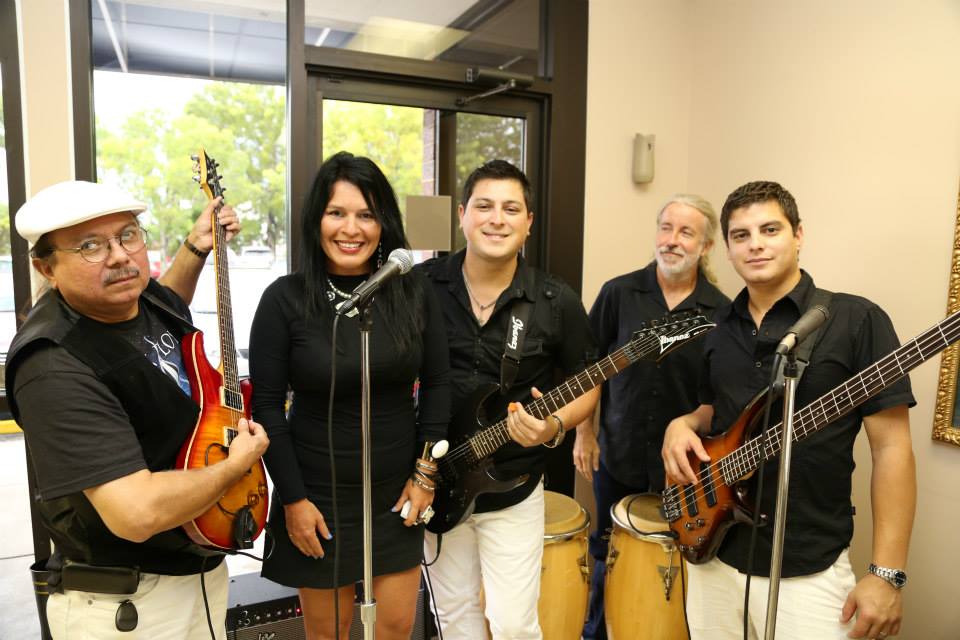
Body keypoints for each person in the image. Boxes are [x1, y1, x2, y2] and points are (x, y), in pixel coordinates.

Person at [6, 180, 269, 639]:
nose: (119, 257)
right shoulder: (53, 364)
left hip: (196, 577)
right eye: (90, 246)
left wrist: (196, 246)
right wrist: (234, 467)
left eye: (128, 235)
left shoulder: (137, 297)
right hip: (129, 607)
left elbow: (170, 300)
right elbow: (136, 512)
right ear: (46, 267)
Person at [662, 181, 916, 640]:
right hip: (715, 554)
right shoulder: (716, 327)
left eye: (770, 229)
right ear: (727, 249)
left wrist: (887, 573)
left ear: (798, 234)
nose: (755, 244)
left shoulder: (856, 320)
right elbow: (713, 409)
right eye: (741, 235)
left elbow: (892, 449)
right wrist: (681, 424)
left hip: (807, 568)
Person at [249, 152, 450, 640]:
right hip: (317, 497)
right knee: (331, 633)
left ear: (384, 225)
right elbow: (267, 407)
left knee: (396, 626)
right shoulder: (284, 299)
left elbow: (440, 383)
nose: (351, 229)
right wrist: (293, 499)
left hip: (397, 492)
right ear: (316, 220)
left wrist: (425, 475)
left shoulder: (413, 293)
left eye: (366, 214)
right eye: (336, 213)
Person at [419, 159, 600, 639]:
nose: (497, 219)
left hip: (514, 487)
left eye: (511, 209)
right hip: (436, 481)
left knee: (514, 624)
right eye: (484, 206)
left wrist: (553, 426)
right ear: (462, 215)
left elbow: (588, 383)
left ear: (528, 222)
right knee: (453, 616)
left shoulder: (555, 300)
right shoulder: (421, 286)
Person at [575, 194, 729, 640]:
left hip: (685, 466)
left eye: (686, 232)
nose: (672, 240)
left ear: (706, 246)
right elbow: (590, 367)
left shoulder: (722, 312)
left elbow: (721, 394)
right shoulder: (619, 293)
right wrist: (585, 433)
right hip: (618, 452)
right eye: (666, 228)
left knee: (678, 557)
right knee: (607, 550)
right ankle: (598, 633)